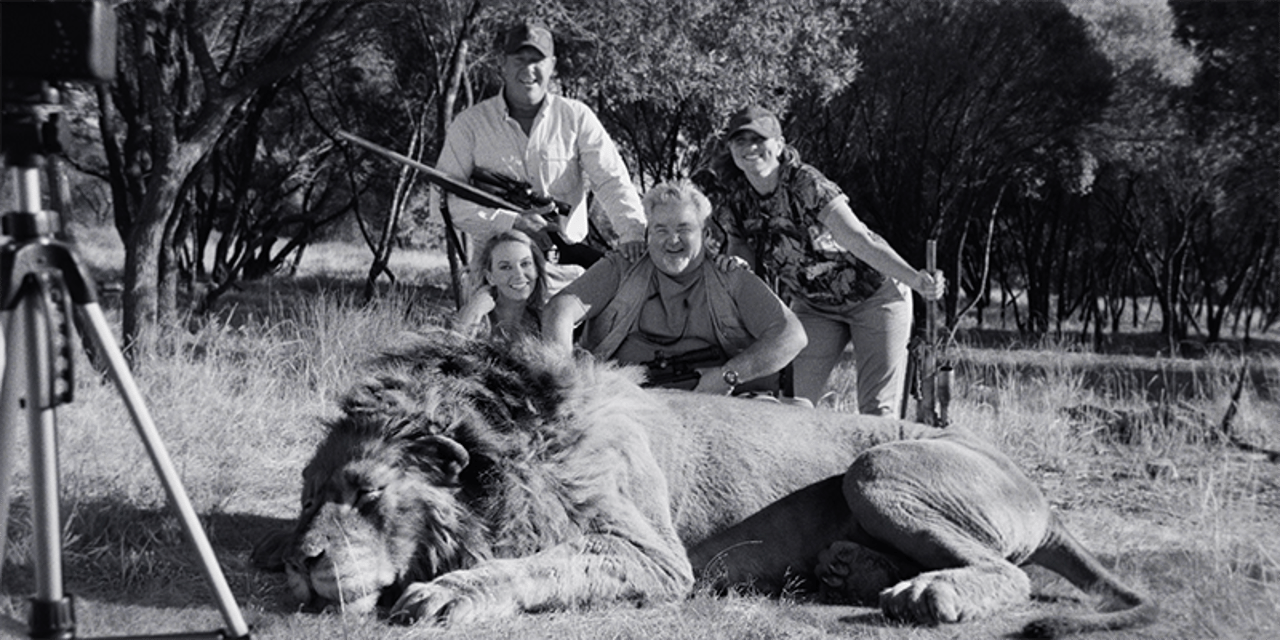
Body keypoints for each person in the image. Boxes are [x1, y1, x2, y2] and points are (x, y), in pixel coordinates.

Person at [700, 105, 945, 414]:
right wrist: (737, 268)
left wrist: (916, 280)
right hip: (814, 306)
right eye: (739, 141)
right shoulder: (735, 198)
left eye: (758, 139)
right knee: (794, 405)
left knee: (876, 412)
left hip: (874, 297)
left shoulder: (806, 183)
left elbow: (858, 238)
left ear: (778, 144)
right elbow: (739, 245)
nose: (749, 148)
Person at [433, 21, 647, 294]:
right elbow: (439, 205)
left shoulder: (577, 117)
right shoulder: (469, 124)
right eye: (519, 59)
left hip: (565, 273)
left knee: (567, 333)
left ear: (552, 66)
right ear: (503, 64)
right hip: (495, 273)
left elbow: (611, 180)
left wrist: (633, 235)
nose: (528, 69)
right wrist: (511, 222)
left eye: (538, 60)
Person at [542, 180, 807, 396]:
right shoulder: (623, 266)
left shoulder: (730, 276)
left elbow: (791, 335)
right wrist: (566, 383)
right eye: (660, 230)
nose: (672, 240)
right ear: (647, 234)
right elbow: (560, 309)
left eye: (684, 228)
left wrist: (728, 376)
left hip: (722, 404)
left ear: (706, 234)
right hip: (628, 402)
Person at [451, 230, 548, 341]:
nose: (518, 274)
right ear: (490, 277)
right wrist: (474, 311)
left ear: (537, 269)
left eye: (525, 264)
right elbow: (451, 351)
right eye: (505, 267)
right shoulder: (477, 316)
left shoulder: (544, 321)